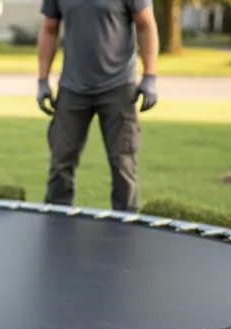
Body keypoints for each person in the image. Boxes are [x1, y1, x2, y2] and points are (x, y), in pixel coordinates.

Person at [36, 0, 159, 213]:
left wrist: (149, 77)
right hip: (72, 88)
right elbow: (49, 29)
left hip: (118, 87)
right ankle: (57, 222)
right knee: (60, 164)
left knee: (123, 164)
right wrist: (42, 80)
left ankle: (126, 225)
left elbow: (146, 25)